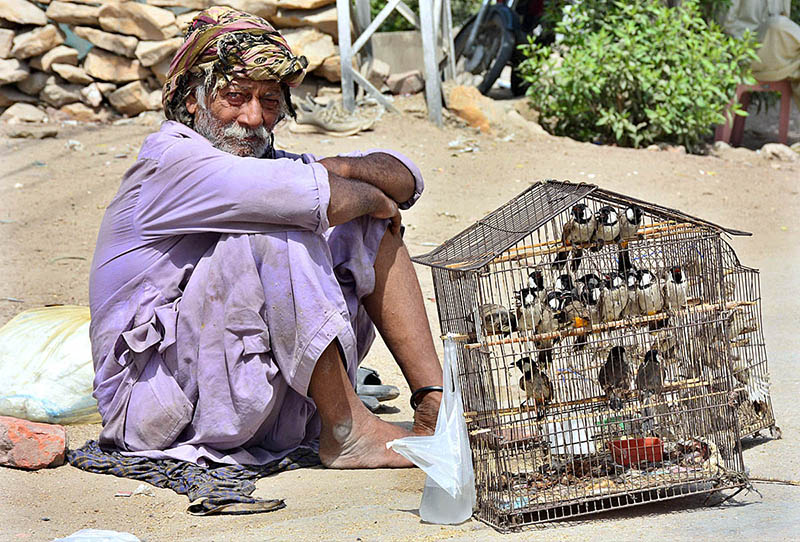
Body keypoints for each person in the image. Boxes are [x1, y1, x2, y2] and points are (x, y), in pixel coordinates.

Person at [88, 6, 443, 469]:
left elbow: (406, 179)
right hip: (155, 406)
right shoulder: (172, 161)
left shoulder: (263, 163)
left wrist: (342, 172)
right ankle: (348, 430)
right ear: (193, 100)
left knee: (365, 224)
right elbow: (317, 199)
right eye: (234, 96)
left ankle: (436, 407)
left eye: (270, 101)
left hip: (244, 396)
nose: (253, 117)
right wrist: (343, 188)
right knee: (281, 223)